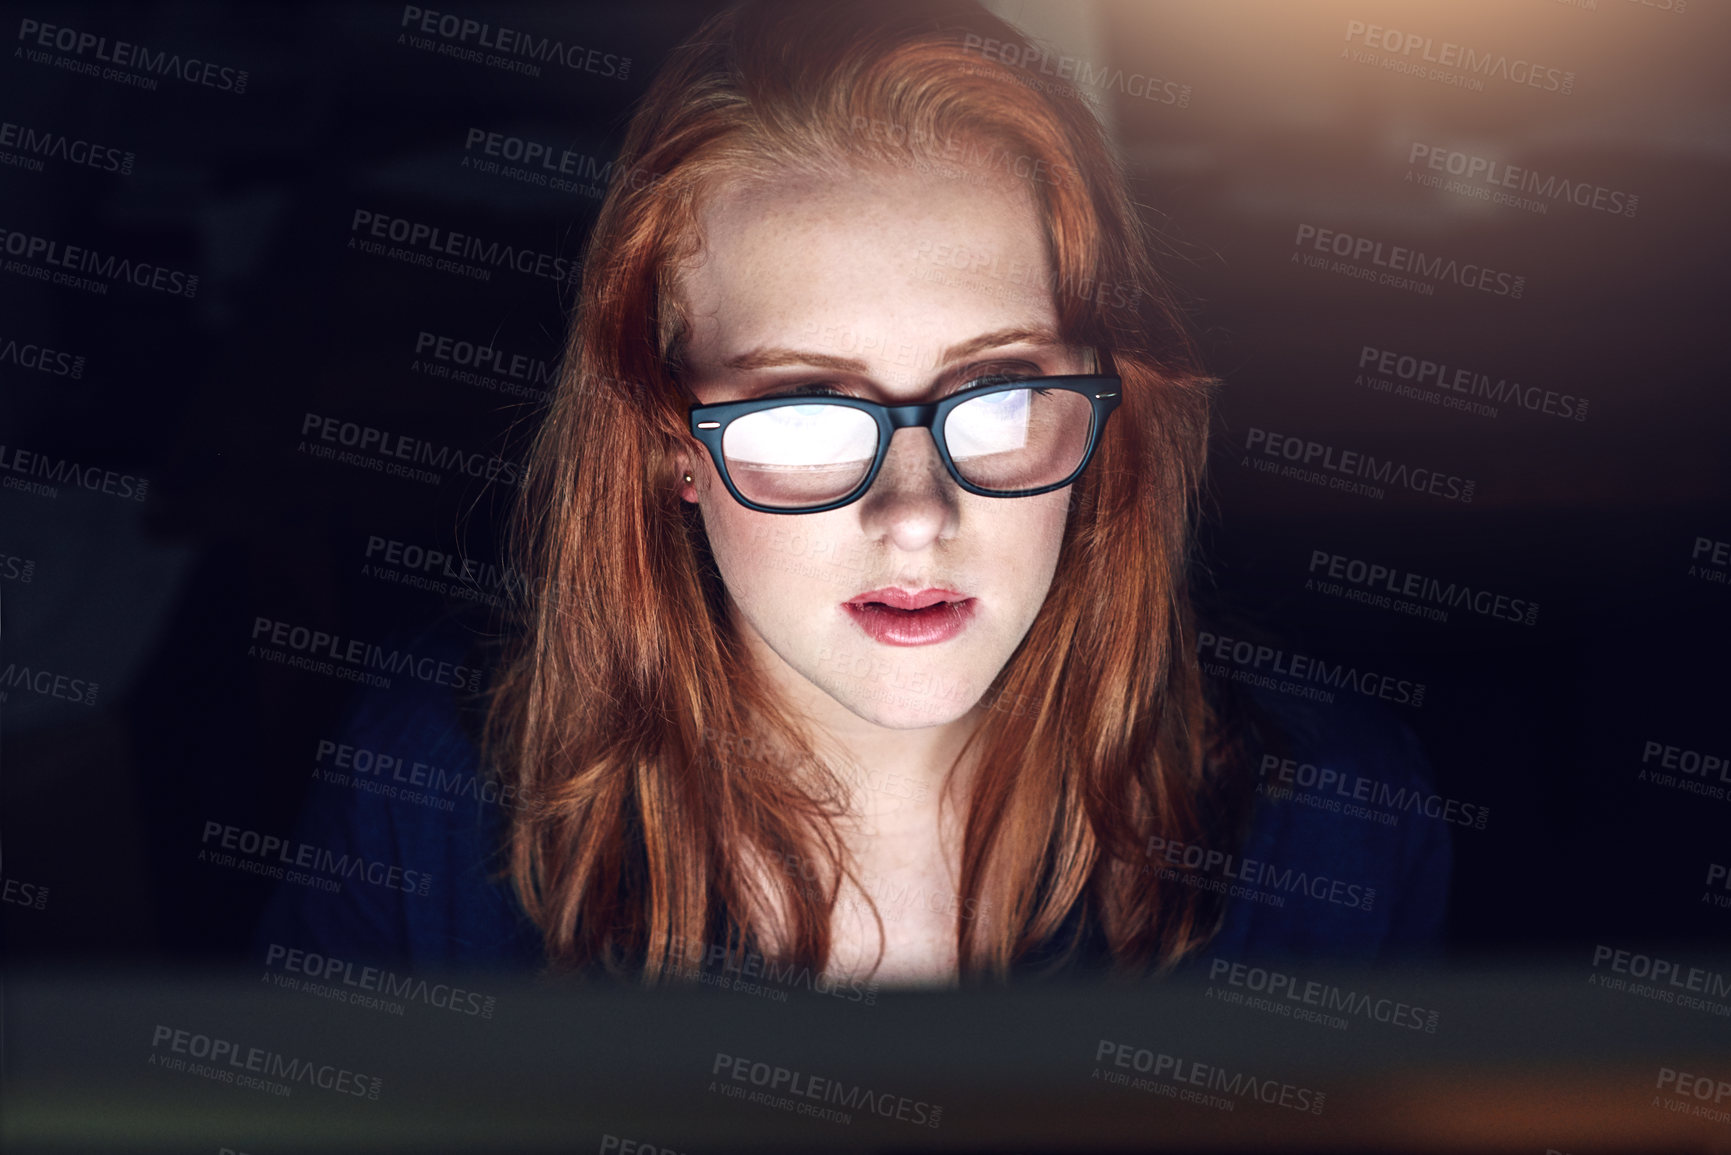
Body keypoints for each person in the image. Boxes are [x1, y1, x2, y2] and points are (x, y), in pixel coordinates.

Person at [255, 0, 1449, 989]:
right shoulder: (435, 801)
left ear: (1109, 402)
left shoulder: (1330, 814)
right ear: (669, 438)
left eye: (995, 391)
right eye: (808, 415)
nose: (916, 515)